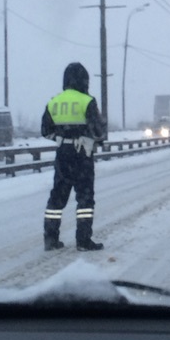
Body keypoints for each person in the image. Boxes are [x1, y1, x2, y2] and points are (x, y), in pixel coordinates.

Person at [41, 62, 107, 251]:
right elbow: (98, 130)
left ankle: (51, 239)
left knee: (57, 197)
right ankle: (83, 240)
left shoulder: (54, 102)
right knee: (84, 198)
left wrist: (62, 137)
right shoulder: (87, 101)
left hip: (63, 154)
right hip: (82, 155)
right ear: (84, 80)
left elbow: (45, 130)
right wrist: (91, 139)